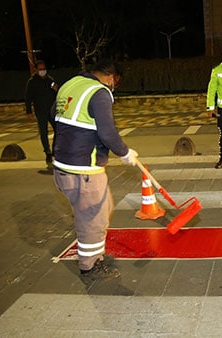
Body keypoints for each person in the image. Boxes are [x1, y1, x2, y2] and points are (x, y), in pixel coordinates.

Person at [51, 59, 139, 280]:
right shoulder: (99, 92)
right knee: (92, 218)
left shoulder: (70, 84)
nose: (113, 87)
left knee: (103, 207)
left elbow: (53, 114)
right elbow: (107, 133)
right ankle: (90, 266)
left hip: (63, 165)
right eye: (115, 82)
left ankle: (94, 255)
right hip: (84, 169)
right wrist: (125, 153)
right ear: (110, 77)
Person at [24, 60, 59, 167]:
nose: (43, 71)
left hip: (52, 110)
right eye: (40, 69)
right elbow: (28, 97)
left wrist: (56, 89)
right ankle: (48, 152)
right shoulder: (32, 82)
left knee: (58, 130)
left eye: (44, 69)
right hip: (41, 111)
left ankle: (54, 150)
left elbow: (57, 90)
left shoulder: (50, 79)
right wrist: (29, 111)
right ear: (36, 70)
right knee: (43, 132)